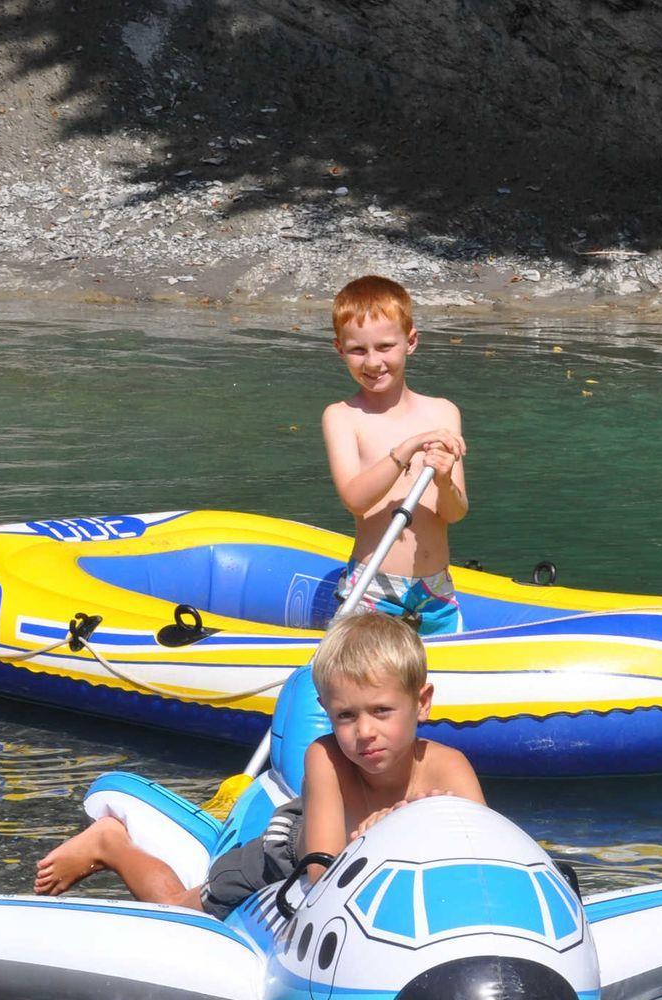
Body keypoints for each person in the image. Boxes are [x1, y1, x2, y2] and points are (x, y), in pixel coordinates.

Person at [33, 613, 485, 913]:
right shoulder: (327, 757)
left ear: (422, 702)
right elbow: (318, 871)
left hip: (347, 849)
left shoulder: (450, 769)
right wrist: (378, 837)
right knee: (181, 912)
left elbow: (483, 859)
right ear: (327, 713)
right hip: (285, 852)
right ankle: (112, 844)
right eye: (346, 716)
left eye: (382, 711)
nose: (364, 731)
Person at [321, 274, 469, 636]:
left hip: (436, 591)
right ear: (340, 349)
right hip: (375, 588)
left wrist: (445, 480)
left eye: (385, 346)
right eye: (358, 350)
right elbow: (355, 499)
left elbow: (455, 512)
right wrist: (405, 449)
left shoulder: (443, 412)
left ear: (410, 342)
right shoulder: (342, 416)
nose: (373, 362)